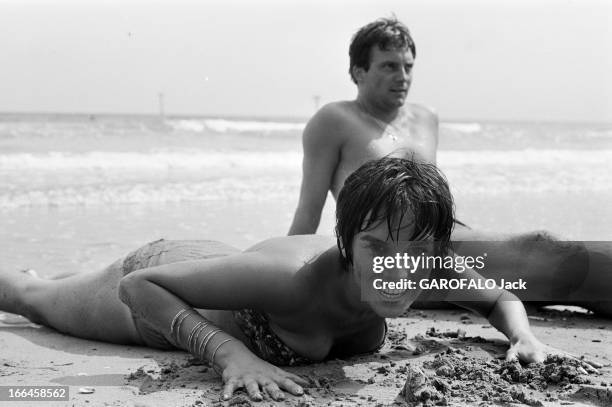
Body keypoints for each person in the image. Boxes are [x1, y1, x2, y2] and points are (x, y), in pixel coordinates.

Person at [0, 158, 590, 402]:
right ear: (346, 241)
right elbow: (142, 289)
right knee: (32, 297)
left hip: (219, 272)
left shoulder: (419, 262)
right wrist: (229, 355)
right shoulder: (292, 280)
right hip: (152, 289)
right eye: (375, 246)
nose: (396, 264)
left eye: (414, 250)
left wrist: (525, 338)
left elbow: (499, 296)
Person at [288, 17, 612, 315]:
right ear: (358, 72)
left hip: (440, 248)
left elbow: (428, 200)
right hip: (399, 261)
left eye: (407, 67)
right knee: (556, 259)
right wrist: (291, 275)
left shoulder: (425, 118)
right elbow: (308, 212)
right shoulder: (334, 120)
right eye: (388, 66)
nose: (402, 77)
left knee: (554, 255)